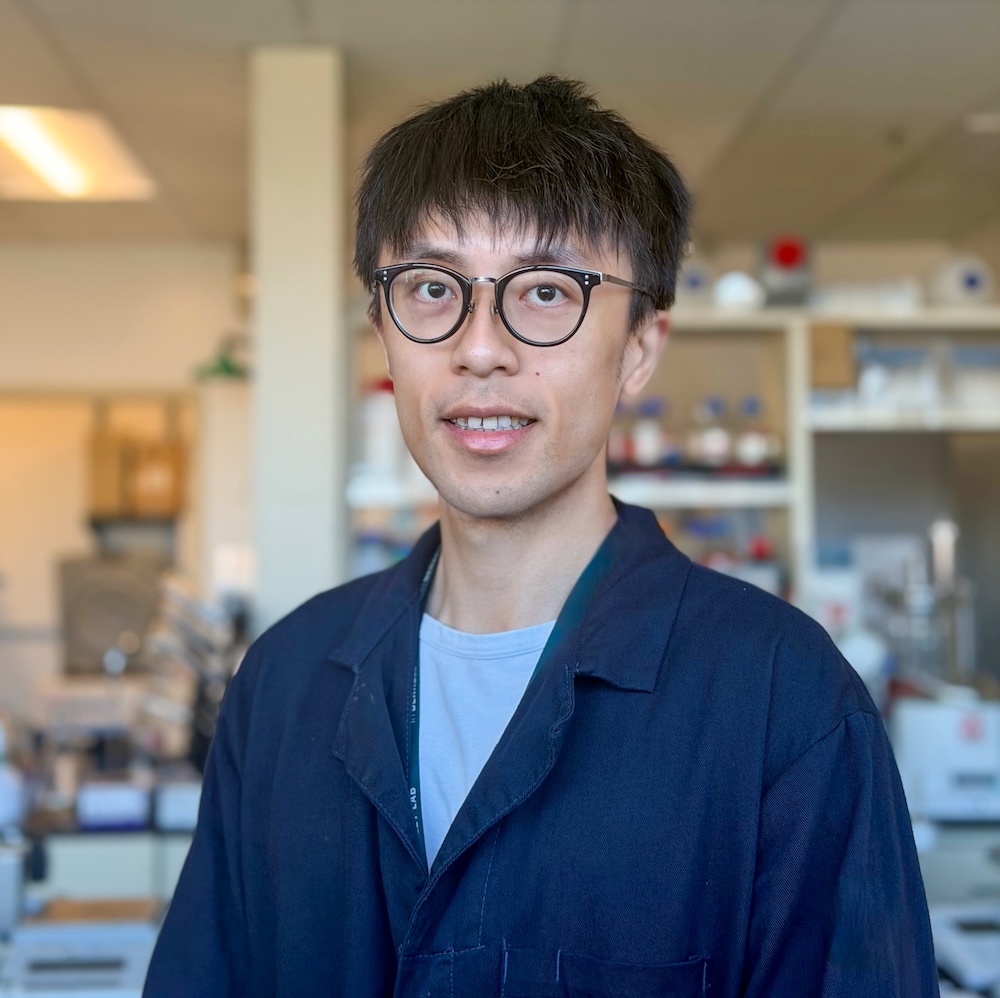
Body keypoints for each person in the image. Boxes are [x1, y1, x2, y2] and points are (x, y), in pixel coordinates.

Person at [144, 76, 937, 997]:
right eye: (432, 288)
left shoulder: (785, 704)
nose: (481, 347)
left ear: (638, 347)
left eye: (549, 291)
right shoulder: (282, 686)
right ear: (383, 332)